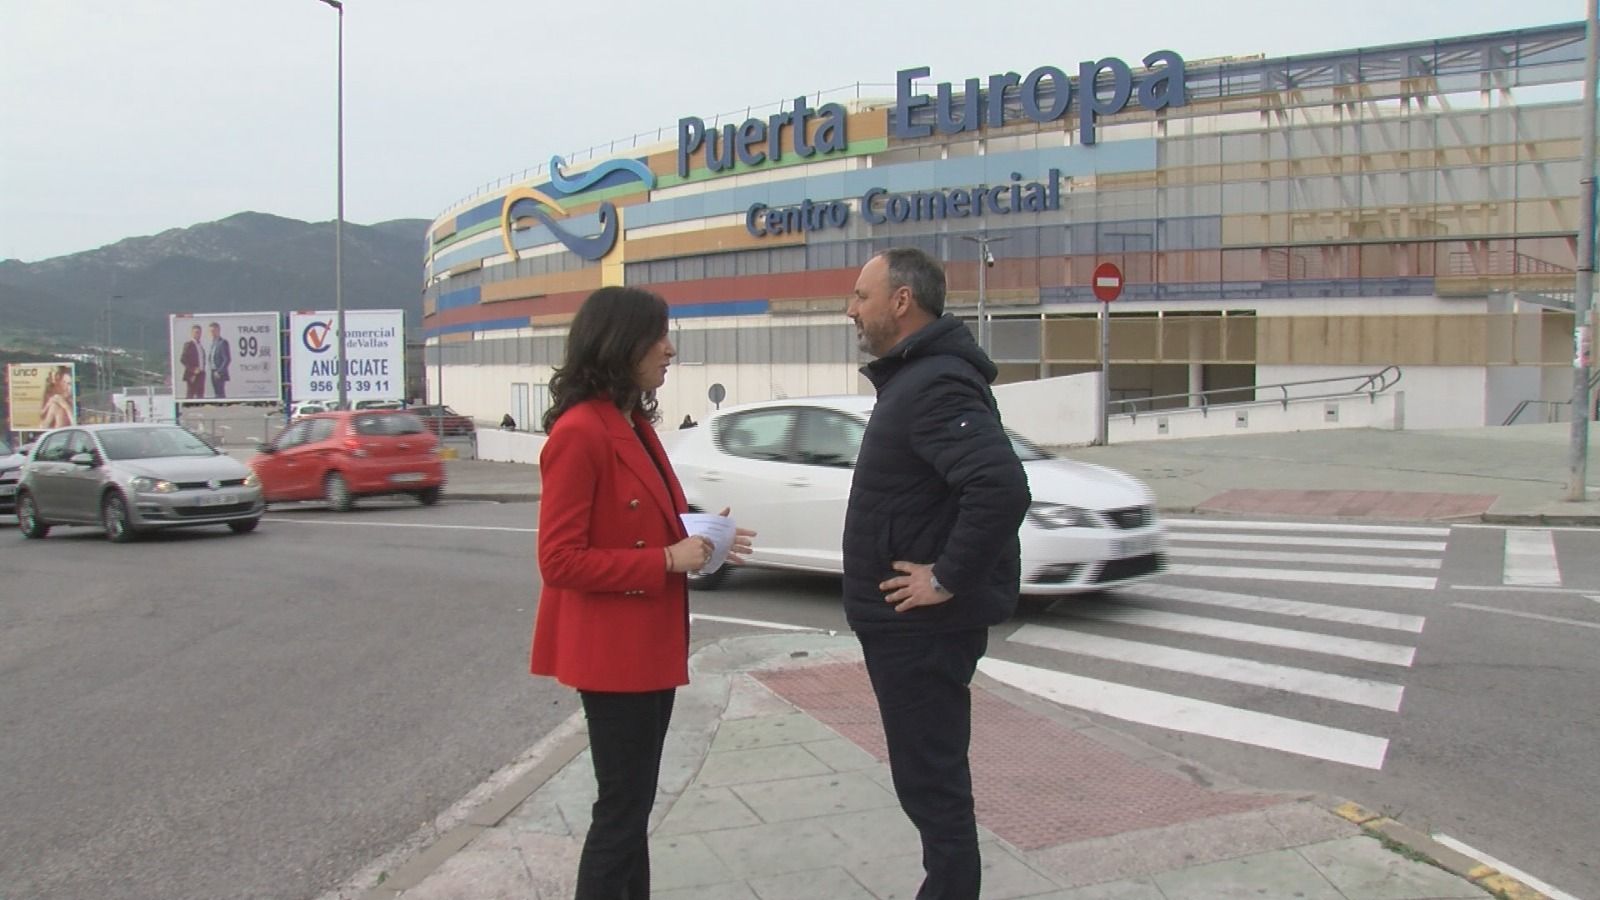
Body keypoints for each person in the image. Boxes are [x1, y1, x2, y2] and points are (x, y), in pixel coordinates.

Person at [530, 285, 754, 900]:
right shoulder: (581, 432)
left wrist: (708, 535)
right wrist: (664, 559)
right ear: (621, 343)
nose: (670, 349)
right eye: (659, 337)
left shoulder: (630, 423)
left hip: (647, 646)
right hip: (613, 654)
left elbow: (646, 517)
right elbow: (558, 560)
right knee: (621, 811)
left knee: (632, 807)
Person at [841, 247, 1030, 900]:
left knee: (935, 788)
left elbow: (1001, 488)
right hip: (909, 631)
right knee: (928, 784)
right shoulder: (918, 378)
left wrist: (944, 578)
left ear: (902, 301)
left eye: (862, 296)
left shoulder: (935, 382)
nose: (851, 309)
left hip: (922, 631)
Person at [179, 324, 207, 399]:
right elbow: (183, 359)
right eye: (196, 332)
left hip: (201, 373)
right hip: (192, 374)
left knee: (200, 394)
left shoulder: (200, 345)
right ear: (192, 333)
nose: (198, 334)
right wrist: (193, 369)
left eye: (199, 332)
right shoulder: (189, 344)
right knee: (190, 394)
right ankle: (188, 409)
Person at [207, 321, 231, 399]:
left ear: (218, 331)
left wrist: (219, 371)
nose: (212, 333)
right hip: (213, 371)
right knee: (216, 392)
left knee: (220, 392)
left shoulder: (223, 342)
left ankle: (223, 407)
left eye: (214, 331)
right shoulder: (213, 343)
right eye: (210, 331)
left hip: (219, 372)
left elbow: (227, 359)